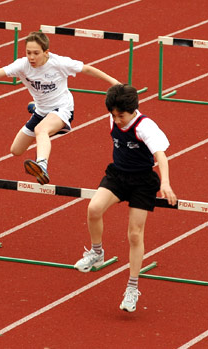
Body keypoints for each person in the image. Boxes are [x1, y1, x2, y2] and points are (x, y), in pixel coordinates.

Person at [0, 31, 119, 185]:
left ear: (46, 52)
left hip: (62, 108)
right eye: (28, 52)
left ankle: (42, 166)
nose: (31, 57)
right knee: (16, 150)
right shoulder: (22, 65)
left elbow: (88, 70)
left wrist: (115, 83)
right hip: (41, 110)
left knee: (41, 130)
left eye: (36, 53)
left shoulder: (59, 63)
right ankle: (36, 111)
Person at [73, 84, 177, 312]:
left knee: (134, 234)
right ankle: (97, 253)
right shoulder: (114, 117)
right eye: (113, 115)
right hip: (118, 175)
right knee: (93, 209)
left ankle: (132, 288)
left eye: (121, 115)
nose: (117, 119)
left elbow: (161, 155)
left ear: (133, 110)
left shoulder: (146, 127)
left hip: (142, 182)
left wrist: (166, 183)